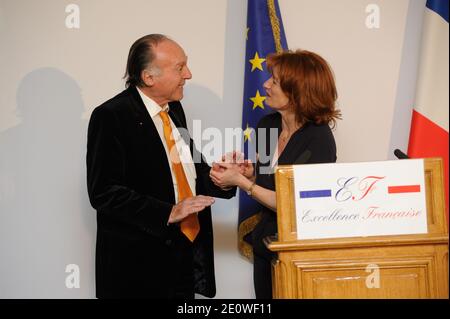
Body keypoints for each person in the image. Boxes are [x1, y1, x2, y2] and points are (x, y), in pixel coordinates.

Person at [86, 34, 235, 298]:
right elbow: (104, 192)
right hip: (136, 270)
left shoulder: (174, 109)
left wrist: (226, 177)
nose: (188, 74)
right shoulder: (110, 116)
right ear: (148, 77)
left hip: (182, 256)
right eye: (179, 67)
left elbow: (189, 169)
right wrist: (168, 211)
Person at [210, 49, 341, 299]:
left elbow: (293, 203)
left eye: (275, 81)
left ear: (297, 92)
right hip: (266, 245)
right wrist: (248, 175)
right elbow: (270, 180)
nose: (266, 84)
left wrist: (243, 185)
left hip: (298, 252)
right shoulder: (267, 125)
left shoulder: (319, 139)